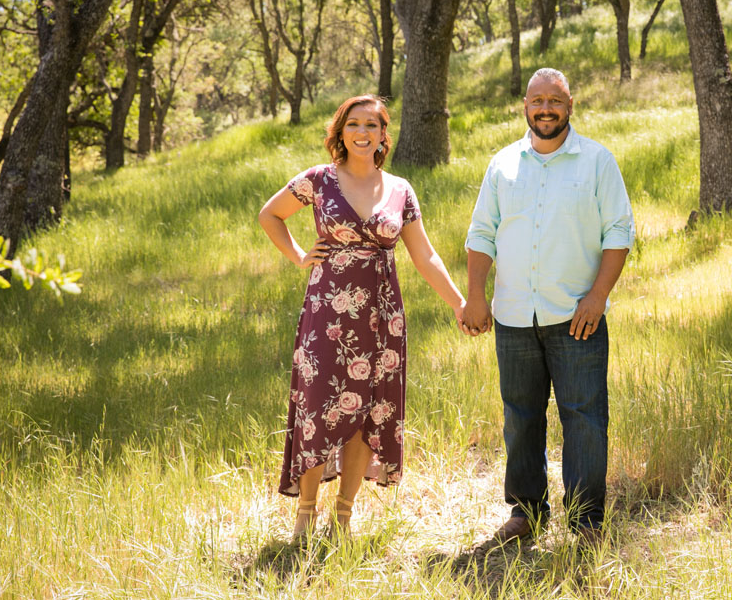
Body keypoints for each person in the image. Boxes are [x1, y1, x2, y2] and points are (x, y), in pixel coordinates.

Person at [258, 94, 466, 540]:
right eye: (353, 124)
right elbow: (270, 214)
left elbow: (425, 256)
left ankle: (344, 518)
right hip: (327, 313)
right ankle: (305, 519)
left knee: (366, 413)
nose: (362, 133)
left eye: (371, 125)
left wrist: (459, 303)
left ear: (383, 135)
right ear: (340, 131)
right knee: (318, 409)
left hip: (382, 315)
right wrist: (298, 255)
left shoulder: (401, 189)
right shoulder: (318, 180)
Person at [461, 68, 634, 545]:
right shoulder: (502, 165)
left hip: (576, 316)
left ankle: (585, 521)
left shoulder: (597, 162)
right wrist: (476, 294)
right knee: (520, 417)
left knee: (584, 418)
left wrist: (598, 297)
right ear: (525, 106)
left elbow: (618, 232)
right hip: (514, 315)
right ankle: (526, 513)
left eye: (554, 101)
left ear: (570, 105)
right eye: (537, 101)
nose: (545, 109)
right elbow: (481, 234)